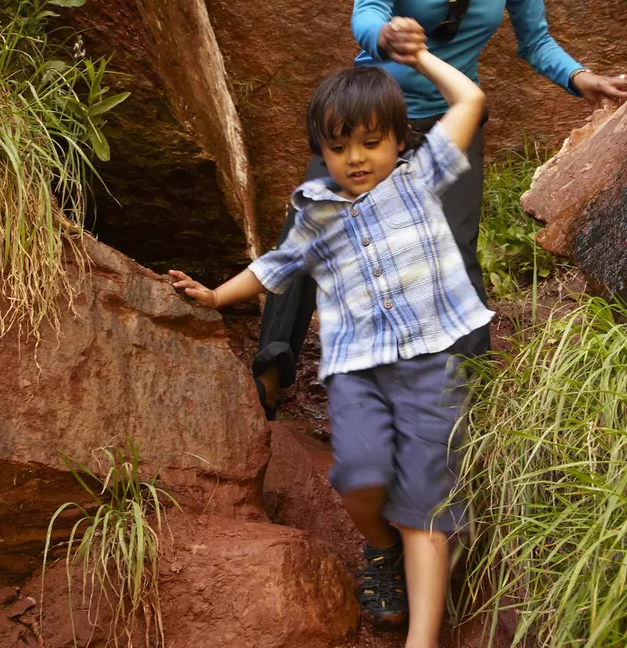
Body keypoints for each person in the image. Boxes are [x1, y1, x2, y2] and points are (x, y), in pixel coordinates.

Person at [250, 0, 627, 418]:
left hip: (452, 120)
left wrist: (580, 78)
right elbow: (367, 11)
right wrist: (385, 36)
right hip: (375, 110)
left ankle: (472, 389)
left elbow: (533, 38)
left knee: (456, 247)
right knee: (311, 228)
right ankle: (273, 363)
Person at [169, 46, 489, 645]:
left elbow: (469, 99)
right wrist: (214, 297)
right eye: (338, 148)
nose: (355, 159)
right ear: (322, 153)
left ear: (398, 141)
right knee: (360, 477)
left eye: (370, 142)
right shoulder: (317, 214)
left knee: (426, 508)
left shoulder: (423, 179)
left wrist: (419, 58)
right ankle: (379, 546)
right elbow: (274, 267)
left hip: (431, 366)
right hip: (356, 371)